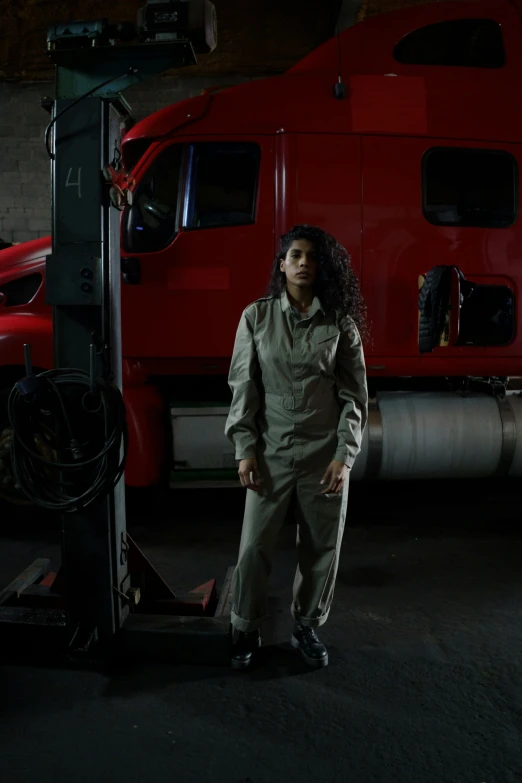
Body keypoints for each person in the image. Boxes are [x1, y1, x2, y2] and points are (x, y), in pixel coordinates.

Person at [225, 224, 368, 670]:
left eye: (312, 256)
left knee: (323, 548)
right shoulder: (256, 317)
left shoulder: (340, 324)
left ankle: (306, 625)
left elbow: (355, 397)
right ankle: (244, 626)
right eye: (295, 255)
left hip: (322, 457)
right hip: (269, 453)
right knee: (254, 548)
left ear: (322, 267)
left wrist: (344, 455)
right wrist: (245, 447)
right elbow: (242, 387)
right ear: (281, 264)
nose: (304, 262)